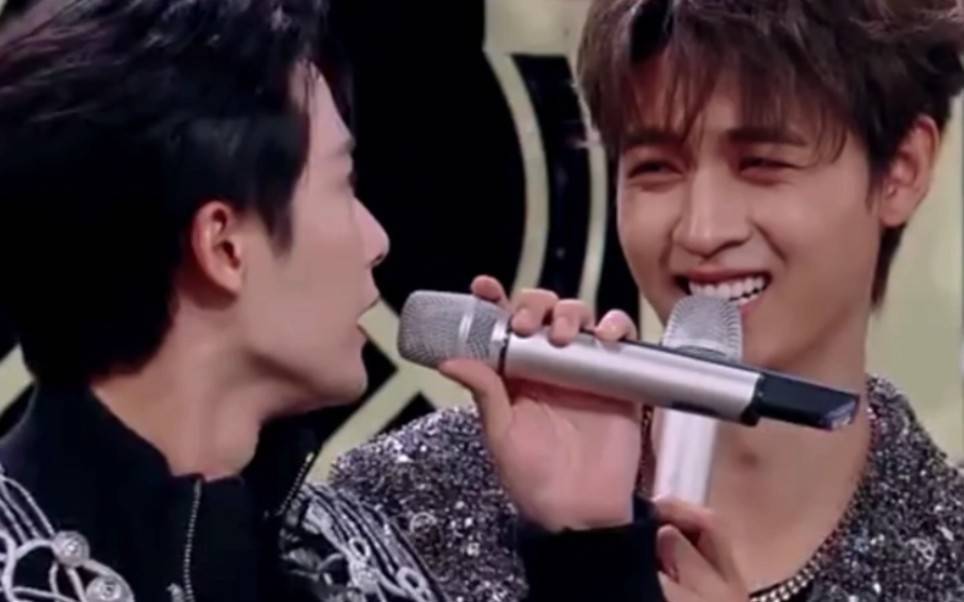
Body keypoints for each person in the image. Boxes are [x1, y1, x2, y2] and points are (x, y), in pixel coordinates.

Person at [0, 0, 706, 600]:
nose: (377, 241)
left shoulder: (368, 566)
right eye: (342, 185)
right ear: (224, 246)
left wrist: (588, 550)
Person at [331, 0, 964, 600]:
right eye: (656, 167)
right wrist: (585, 555)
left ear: (902, 169)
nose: (702, 231)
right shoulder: (406, 513)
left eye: (763, 163)